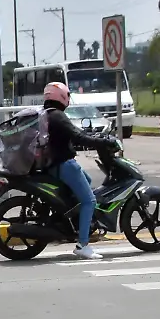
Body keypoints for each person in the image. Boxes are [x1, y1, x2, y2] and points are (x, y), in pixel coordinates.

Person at [40, 81, 116, 260]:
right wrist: (103, 142)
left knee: (87, 181)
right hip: (64, 165)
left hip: (52, 165)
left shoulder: (47, 114)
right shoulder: (58, 116)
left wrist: (91, 137)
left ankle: (74, 221)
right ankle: (83, 244)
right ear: (62, 97)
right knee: (89, 200)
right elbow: (77, 136)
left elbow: (71, 133)